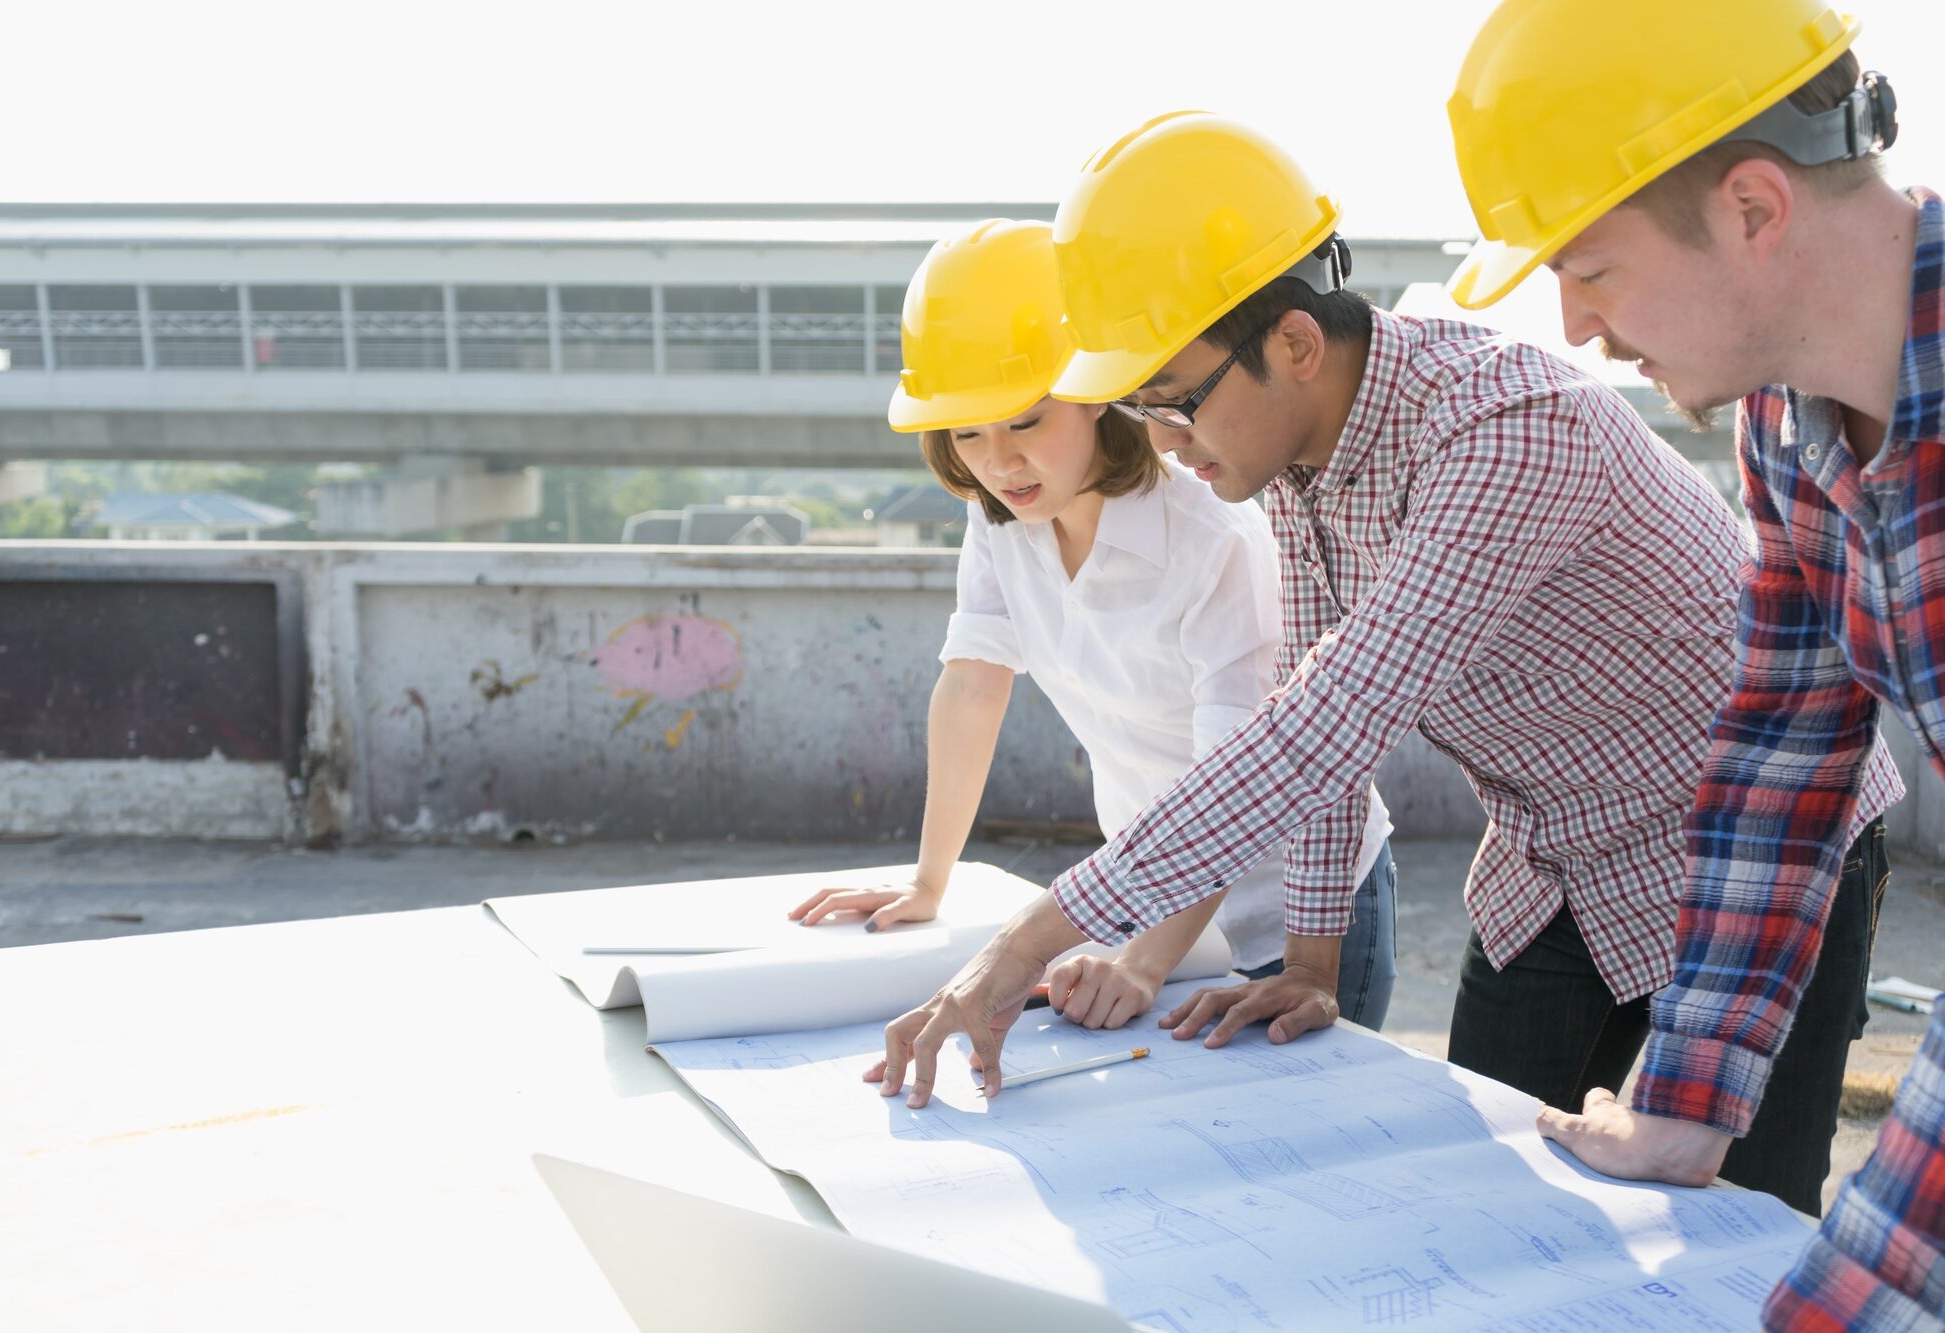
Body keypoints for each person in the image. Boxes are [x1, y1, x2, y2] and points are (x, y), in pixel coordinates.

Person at [874, 113, 1898, 1222]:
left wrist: (1022, 946)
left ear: (1295, 348)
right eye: (1140, 408)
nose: (1163, 441)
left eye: (1176, 399)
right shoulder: (1286, 470)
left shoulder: (1503, 432)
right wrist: (1311, 965)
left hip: (1750, 860)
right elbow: (1313, 729)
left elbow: (1322, 725)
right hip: (1549, 865)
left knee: (1737, 1228)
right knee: (1477, 1201)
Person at [1446, 0, 1939, 1320]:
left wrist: (1847, 1298)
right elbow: (1783, 754)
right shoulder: (1788, 426)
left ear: (1755, 209)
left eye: (1591, 269)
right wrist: (1688, 1096)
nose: (1578, 326)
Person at [788, 217, 1397, 1032]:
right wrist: (929, 880)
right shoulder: (999, 517)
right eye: (967, 432)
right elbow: (973, 683)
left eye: (1028, 421)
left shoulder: (1212, 538)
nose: (1000, 462)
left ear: (1098, 395)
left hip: (1302, 917)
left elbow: (1233, 779)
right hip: (1150, 904)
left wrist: (1143, 957)